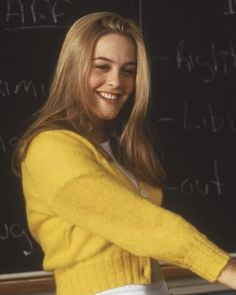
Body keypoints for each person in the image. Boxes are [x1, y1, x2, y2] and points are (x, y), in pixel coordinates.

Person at [13, 11, 236, 295]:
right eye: (102, 67)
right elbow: (142, 223)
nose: (117, 82)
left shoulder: (118, 145)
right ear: (73, 68)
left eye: (127, 71)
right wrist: (228, 271)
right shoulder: (50, 149)